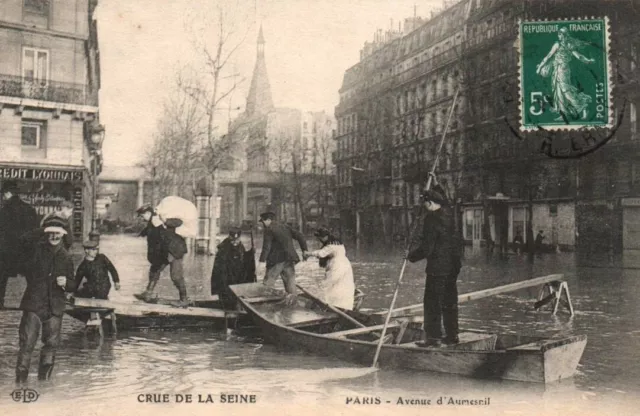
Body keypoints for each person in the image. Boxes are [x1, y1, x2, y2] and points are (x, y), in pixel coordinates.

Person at [15, 216, 76, 383]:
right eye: (51, 233)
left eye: (58, 233)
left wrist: (67, 284)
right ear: (46, 234)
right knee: (27, 344)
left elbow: (73, 284)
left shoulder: (66, 256)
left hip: (55, 306)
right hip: (34, 304)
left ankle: (44, 384)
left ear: (63, 235)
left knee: (51, 345)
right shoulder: (35, 250)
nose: (54, 236)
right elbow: (22, 241)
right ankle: (20, 384)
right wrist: (45, 227)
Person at [407, 174, 462, 347]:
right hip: (453, 266)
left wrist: (410, 256)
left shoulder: (431, 219)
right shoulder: (449, 213)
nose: (425, 208)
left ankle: (433, 339)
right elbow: (444, 200)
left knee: (432, 302)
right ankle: (452, 336)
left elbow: (427, 248)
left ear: (429, 204)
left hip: (437, 268)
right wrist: (436, 184)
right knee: (450, 301)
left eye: (425, 204)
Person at [135, 204, 190, 306]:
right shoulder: (152, 222)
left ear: (148, 213)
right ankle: (148, 293)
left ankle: (184, 299)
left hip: (174, 250)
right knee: (154, 270)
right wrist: (143, 233)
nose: (142, 219)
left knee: (176, 276)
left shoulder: (161, 217)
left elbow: (179, 222)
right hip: (164, 252)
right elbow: (152, 235)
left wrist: (165, 221)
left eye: (142, 216)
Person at [536, 27, 595, 121]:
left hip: (561, 69)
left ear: (565, 35)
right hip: (561, 69)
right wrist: (587, 61)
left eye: (561, 34)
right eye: (559, 34)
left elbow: (548, 56)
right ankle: (563, 112)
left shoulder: (558, 44)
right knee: (558, 89)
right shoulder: (569, 44)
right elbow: (579, 56)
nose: (559, 36)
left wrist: (539, 67)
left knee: (564, 90)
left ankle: (580, 105)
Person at [0, 180, 39, 309]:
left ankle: (0, 303)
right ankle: (31, 303)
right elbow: (35, 232)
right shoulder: (29, 209)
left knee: (1, 277)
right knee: (32, 278)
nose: (3, 198)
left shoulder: (3, 210)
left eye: (3, 195)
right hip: (25, 250)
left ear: (8, 193)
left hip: (6, 251)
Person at [258, 211, 308, 305]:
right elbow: (300, 236)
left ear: (268, 220)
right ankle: (294, 306)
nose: (263, 224)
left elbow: (266, 247)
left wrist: (261, 262)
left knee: (267, 284)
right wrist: (304, 250)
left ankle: (263, 307)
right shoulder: (285, 226)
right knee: (291, 286)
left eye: (263, 221)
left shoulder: (269, 229)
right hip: (289, 259)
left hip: (276, 261)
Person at [304, 227, 355, 310]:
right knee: (341, 285)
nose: (320, 239)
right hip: (344, 265)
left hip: (337, 266)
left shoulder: (331, 246)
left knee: (330, 285)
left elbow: (321, 253)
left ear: (326, 236)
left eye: (321, 237)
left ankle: (333, 305)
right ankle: (341, 305)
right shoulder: (337, 243)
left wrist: (308, 254)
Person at [210, 227, 255, 309]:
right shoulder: (224, 248)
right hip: (226, 277)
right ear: (230, 237)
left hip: (235, 276)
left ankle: (235, 305)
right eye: (233, 241)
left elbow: (243, 258)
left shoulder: (240, 246)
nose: (235, 242)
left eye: (237, 240)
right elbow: (221, 268)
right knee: (227, 294)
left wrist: (250, 253)